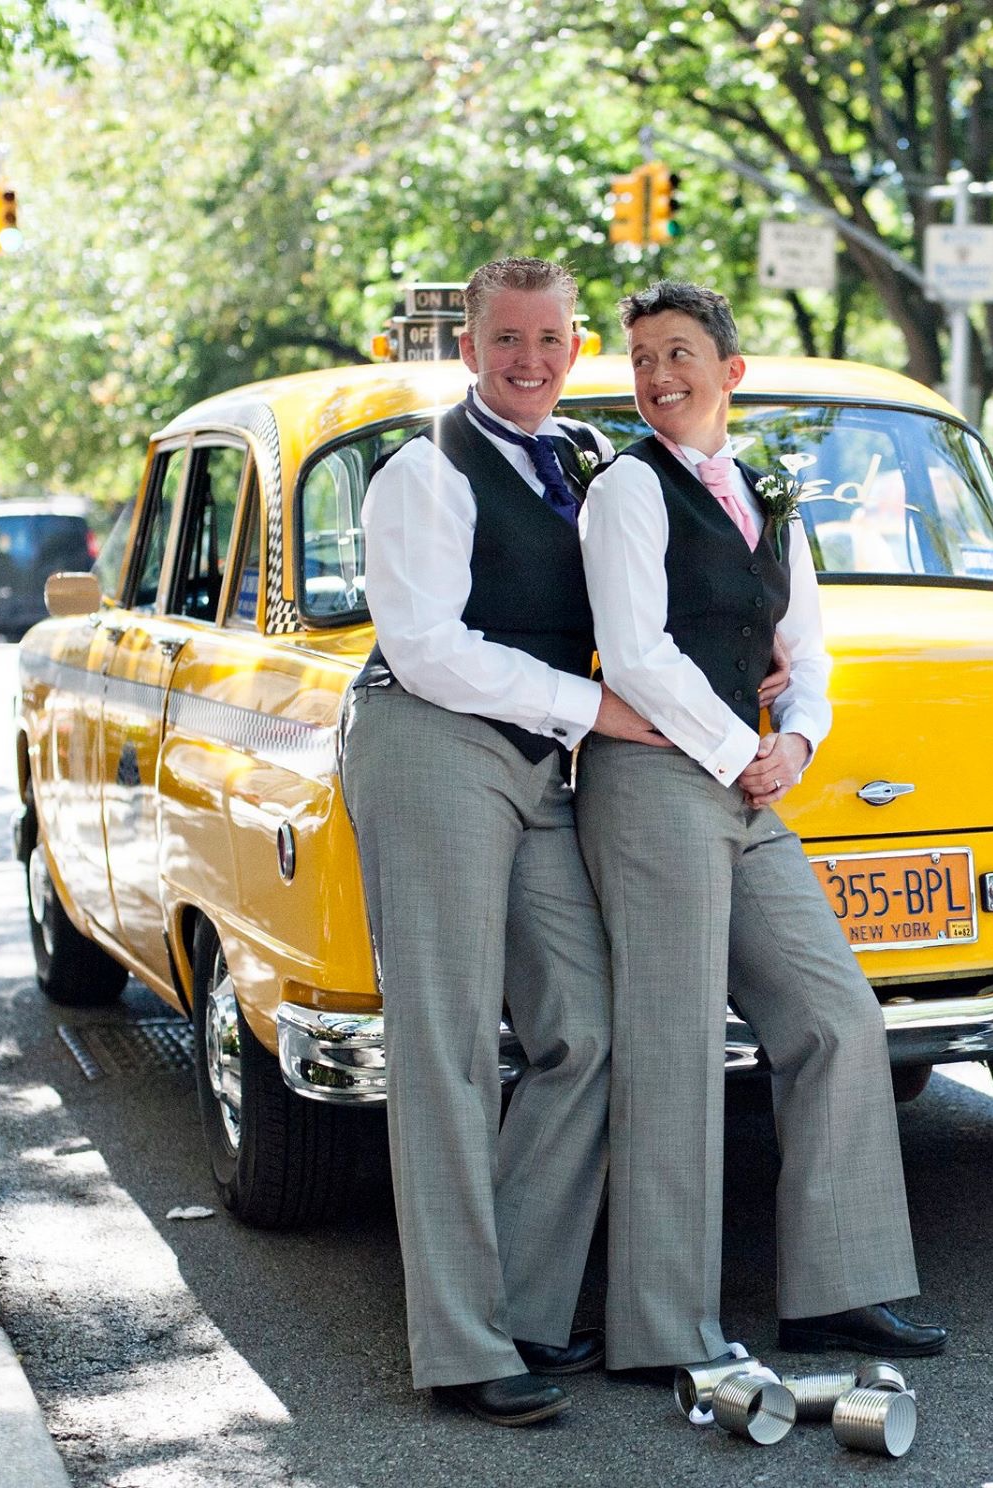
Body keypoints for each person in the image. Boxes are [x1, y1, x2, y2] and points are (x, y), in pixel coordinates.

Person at [575, 280, 946, 1373]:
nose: (656, 377)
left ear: (729, 373)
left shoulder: (770, 493)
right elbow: (636, 656)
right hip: (651, 785)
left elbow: (810, 653)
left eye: (678, 353)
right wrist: (747, 752)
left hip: (747, 785)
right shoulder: (626, 492)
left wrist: (800, 744)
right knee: (674, 1047)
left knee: (837, 1018)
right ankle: (660, 1330)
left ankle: (836, 1294)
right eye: (642, 358)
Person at [339, 256, 660, 1427]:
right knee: (451, 1046)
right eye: (507, 339)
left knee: (587, 1026)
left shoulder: (583, 460)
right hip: (429, 743)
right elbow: (426, 646)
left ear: (577, 347)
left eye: (551, 339)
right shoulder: (421, 470)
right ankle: (462, 1350)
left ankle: (522, 1307)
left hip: (535, 760)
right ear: (467, 348)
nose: (530, 360)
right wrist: (593, 712)